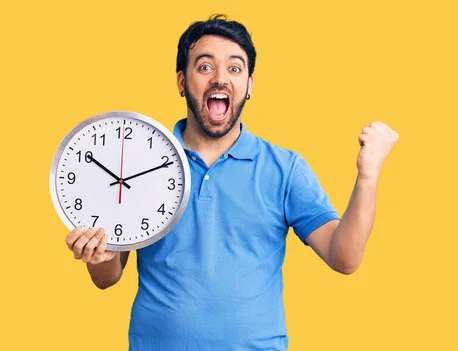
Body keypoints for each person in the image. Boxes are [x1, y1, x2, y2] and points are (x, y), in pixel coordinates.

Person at [64, 14, 399, 351]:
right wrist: (99, 256)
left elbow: (345, 258)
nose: (220, 78)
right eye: (205, 67)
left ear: (250, 84)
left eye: (235, 68)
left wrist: (367, 176)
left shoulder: (284, 168)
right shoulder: (138, 163)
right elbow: (108, 277)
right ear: (182, 81)